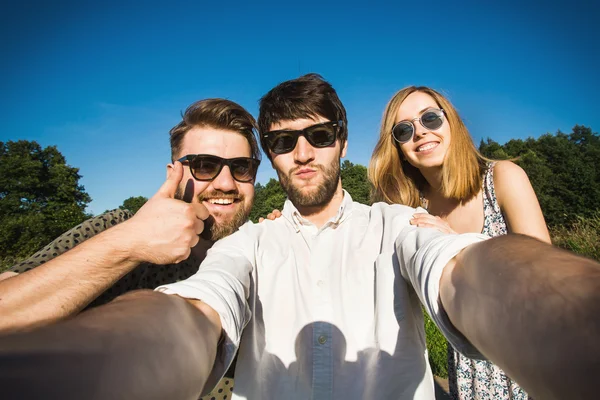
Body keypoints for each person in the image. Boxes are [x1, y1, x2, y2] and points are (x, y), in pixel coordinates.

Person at [1, 74, 598, 400]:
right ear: (273, 157)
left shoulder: (395, 225)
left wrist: (574, 320)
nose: (303, 152)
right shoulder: (245, 245)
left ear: (341, 141)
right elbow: (191, 316)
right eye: (284, 142)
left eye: (317, 134)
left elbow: (467, 272)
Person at [0, 98, 261, 399]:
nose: (226, 183)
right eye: (205, 166)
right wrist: (127, 245)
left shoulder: (262, 254)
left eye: (241, 167)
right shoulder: (118, 228)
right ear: (172, 172)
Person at [369, 86, 551, 399]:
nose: (421, 133)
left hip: (530, 361)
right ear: (397, 147)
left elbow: (545, 278)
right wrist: (281, 228)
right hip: (469, 369)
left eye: (430, 118)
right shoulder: (415, 212)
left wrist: (459, 245)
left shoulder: (502, 178)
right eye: (404, 130)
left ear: (451, 122)